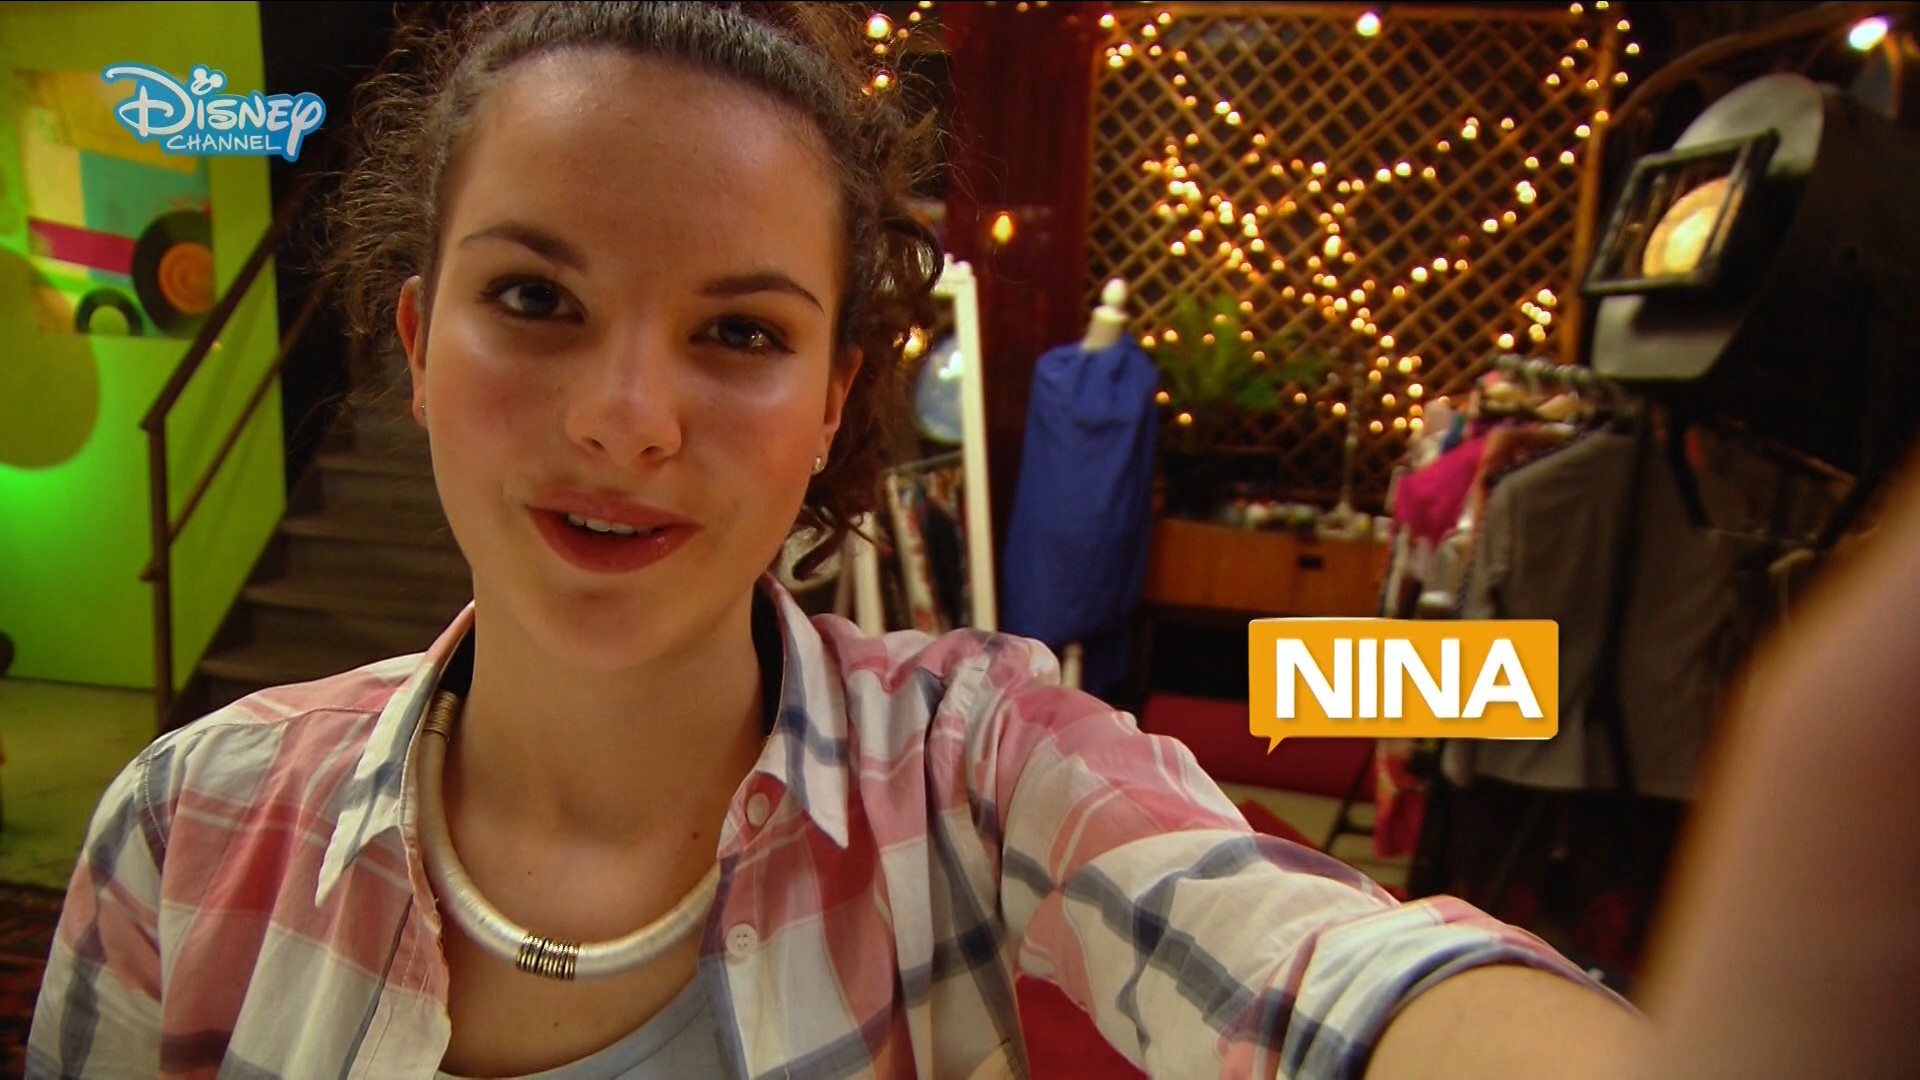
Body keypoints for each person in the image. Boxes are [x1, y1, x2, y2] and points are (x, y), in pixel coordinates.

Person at [29, 4, 1646, 1076]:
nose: (626, 419)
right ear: (415, 349)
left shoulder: (975, 771)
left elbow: (1320, 970)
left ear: (832, 401)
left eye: (738, 333)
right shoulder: (188, 827)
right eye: (534, 297)